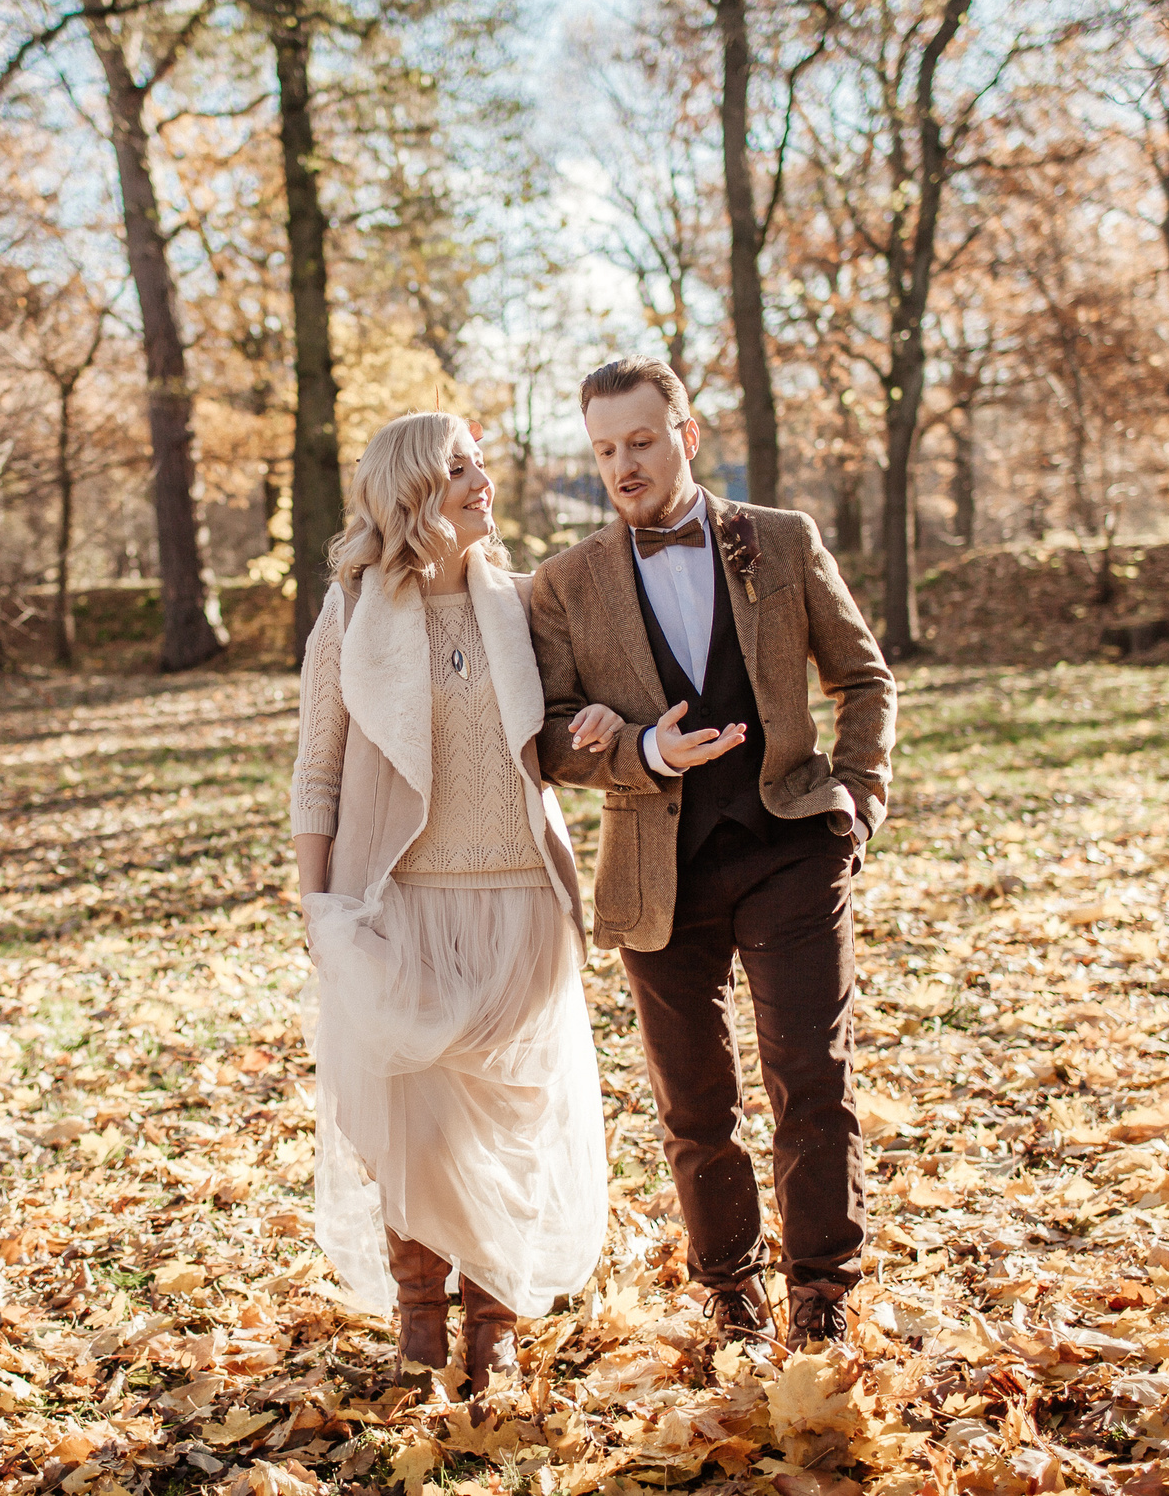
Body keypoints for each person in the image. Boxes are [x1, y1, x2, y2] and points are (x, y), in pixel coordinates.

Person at [528, 356, 897, 1348]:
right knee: (695, 1103)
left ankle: (822, 1293)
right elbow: (550, 737)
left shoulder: (781, 539)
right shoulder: (564, 583)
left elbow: (864, 681)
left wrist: (857, 802)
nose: (624, 466)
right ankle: (730, 1291)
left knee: (811, 1076)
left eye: (642, 442)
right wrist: (638, 749)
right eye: (605, 449)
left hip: (790, 843)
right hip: (658, 870)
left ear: (687, 437)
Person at [289, 411, 612, 1393]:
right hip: (398, 904)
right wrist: (317, 908)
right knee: (416, 1132)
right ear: (415, 491)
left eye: (480, 463)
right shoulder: (350, 612)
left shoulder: (521, 603)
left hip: (518, 899)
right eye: (461, 467)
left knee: (511, 1121)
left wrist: (601, 727)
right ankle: (421, 1326)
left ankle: (493, 1327)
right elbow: (316, 773)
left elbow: (563, 726)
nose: (484, 481)